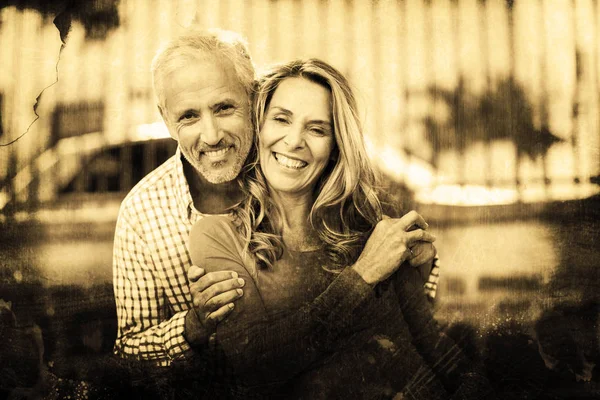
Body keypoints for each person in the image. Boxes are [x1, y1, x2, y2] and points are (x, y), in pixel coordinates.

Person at [112, 28, 439, 369]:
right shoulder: (143, 213)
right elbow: (129, 351)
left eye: (224, 108)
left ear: (254, 98)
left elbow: (407, 278)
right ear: (166, 118)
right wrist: (192, 327)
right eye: (188, 116)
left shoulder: (299, 164)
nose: (211, 136)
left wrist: (415, 265)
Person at [186, 59, 492, 398]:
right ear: (259, 128)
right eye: (281, 119)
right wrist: (362, 275)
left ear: (334, 148)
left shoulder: (373, 223)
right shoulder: (218, 236)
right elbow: (258, 366)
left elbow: (429, 340)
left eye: (317, 129)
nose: (294, 141)